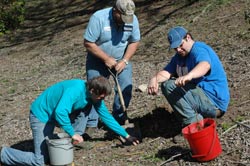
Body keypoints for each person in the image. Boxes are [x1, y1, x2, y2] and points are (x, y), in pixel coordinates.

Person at [0, 76, 139, 166]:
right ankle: (4, 154)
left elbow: (107, 117)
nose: (102, 100)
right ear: (92, 90)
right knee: (40, 161)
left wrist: (125, 135)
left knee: (83, 111)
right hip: (42, 115)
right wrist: (72, 133)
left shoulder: (94, 97)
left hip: (56, 113)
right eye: (101, 97)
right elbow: (60, 111)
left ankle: (59, 139)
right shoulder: (75, 90)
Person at [148, 26, 230, 128]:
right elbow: (166, 73)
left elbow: (205, 65)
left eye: (180, 45)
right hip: (202, 99)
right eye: (175, 48)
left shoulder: (199, 49)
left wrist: (189, 76)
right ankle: (194, 119)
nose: (178, 49)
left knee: (169, 85)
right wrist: (154, 79)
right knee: (167, 83)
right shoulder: (179, 57)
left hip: (214, 103)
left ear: (188, 37)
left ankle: (194, 125)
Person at [83, 0, 140, 126]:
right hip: (97, 60)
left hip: (121, 59)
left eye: (129, 17)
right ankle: (91, 124)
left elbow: (134, 41)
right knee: (94, 90)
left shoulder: (133, 19)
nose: (126, 20)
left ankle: (118, 119)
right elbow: (88, 43)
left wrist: (125, 60)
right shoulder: (99, 18)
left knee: (126, 86)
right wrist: (106, 59)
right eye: (123, 17)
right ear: (115, 11)